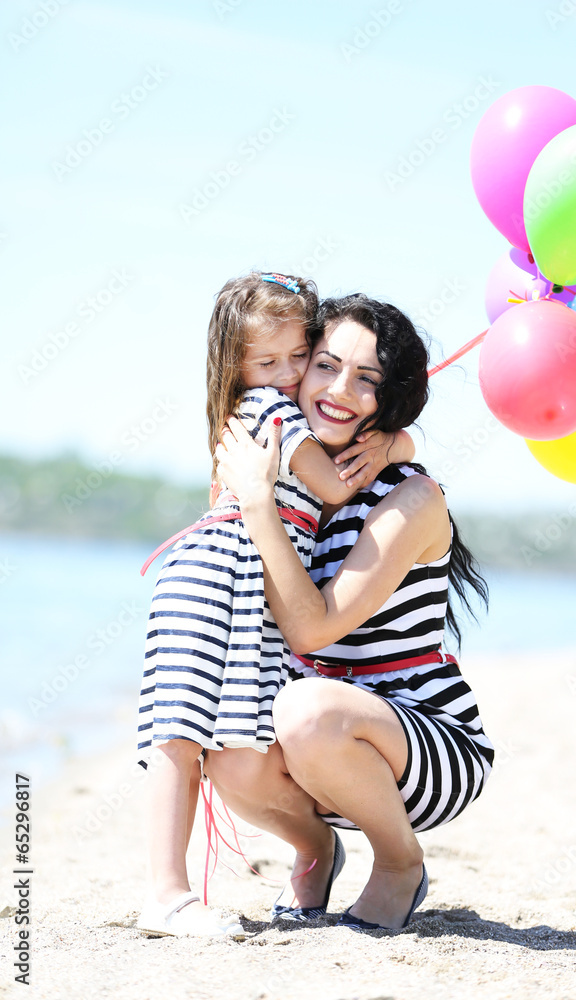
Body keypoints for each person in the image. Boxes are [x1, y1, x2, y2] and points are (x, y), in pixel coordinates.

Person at [135, 273, 415, 938]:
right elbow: (334, 486)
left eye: (300, 357)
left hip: (245, 586)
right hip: (217, 578)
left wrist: (390, 443)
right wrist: (390, 445)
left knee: (228, 739)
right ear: (237, 365)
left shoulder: (263, 409)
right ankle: (166, 892)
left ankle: (296, 854)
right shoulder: (274, 411)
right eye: (270, 362)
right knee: (177, 733)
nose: (289, 375)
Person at [208, 292, 494, 932]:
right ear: (296, 370)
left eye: (366, 380)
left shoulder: (411, 496)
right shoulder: (293, 484)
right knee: (226, 748)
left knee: (305, 707)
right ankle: (315, 850)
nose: (339, 390)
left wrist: (257, 505)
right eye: (325, 366)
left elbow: (311, 629)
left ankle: (399, 862)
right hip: (321, 744)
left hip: (426, 744)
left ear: (389, 397)